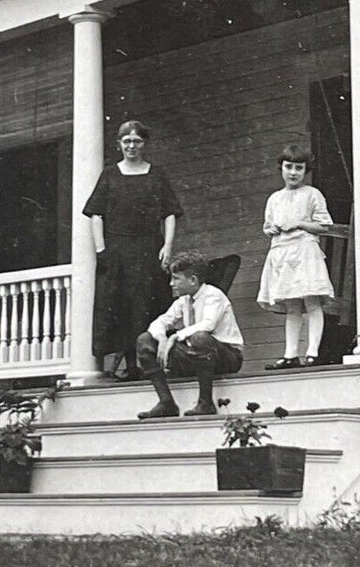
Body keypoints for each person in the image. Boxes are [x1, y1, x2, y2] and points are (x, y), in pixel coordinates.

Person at [82, 119, 183, 377]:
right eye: (126, 141)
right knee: (120, 305)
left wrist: (168, 245)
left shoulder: (156, 174)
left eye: (136, 141)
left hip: (149, 247)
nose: (131, 146)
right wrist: (101, 248)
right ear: (119, 144)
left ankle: (148, 362)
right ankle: (129, 364)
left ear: (144, 144)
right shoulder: (109, 174)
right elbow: (96, 214)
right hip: (117, 249)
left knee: (147, 302)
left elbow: (170, 213)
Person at [135, 250, 244, 419]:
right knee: (145, 340)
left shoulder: (213, 295)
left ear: (193, 280)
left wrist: (175, 336)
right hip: (199, 356)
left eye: (176, 279)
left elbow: (208, 324)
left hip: (227, 357)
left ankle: (205, 402)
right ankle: (166, 403)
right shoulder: (183, 301)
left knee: (200, 337)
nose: (171, 284)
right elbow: (159, 323)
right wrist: (162, 338)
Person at [257, 142, 335, 366]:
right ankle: (291, 354)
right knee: (292, 305)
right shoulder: (274, 198)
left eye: (299, 168)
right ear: (281, 167)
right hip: (282, 254)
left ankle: (313, 352)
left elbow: (324, 226)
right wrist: (270, 229)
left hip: (304, 251)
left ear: (305, 170)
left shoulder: (312, 194)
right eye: (288, 166)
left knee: (311, 301)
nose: (293, 172)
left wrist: (300, 223)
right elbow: (268, 225)